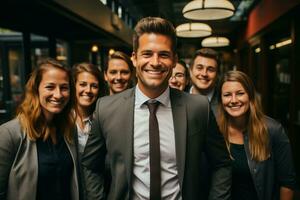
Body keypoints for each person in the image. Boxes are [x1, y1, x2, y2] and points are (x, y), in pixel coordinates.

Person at [82, 17, 231, 200]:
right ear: (135, 58)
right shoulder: (106, 108)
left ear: (174, 60)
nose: (155, 62)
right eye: (147, 54)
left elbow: (222, 164)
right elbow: (90, 166)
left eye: (164, 55)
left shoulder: (198, 108)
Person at [0, 58, 81, 200]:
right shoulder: (10, 133)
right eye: (50, 87)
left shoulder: (69, 130)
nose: (58, 94)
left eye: (64, 88)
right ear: (36, 89)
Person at [217, 70, 296, 200]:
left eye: (240, 93)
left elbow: (287, 183)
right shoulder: (215, 132)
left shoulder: (272, 130)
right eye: (227, 95)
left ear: (250, 96)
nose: (234, 100)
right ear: (221, 99)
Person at [72, 62, 105, 155]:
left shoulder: (102, 119)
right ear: (74, 86)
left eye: (94, 86)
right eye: (83, 84)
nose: (88, 90)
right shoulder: (63, 118)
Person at [189, 48, 220, 115]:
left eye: (210, 70)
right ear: (190, 71)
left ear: (217, 74)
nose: (204, 74)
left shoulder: (225, 103)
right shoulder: (176, 100)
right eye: (199, 68)